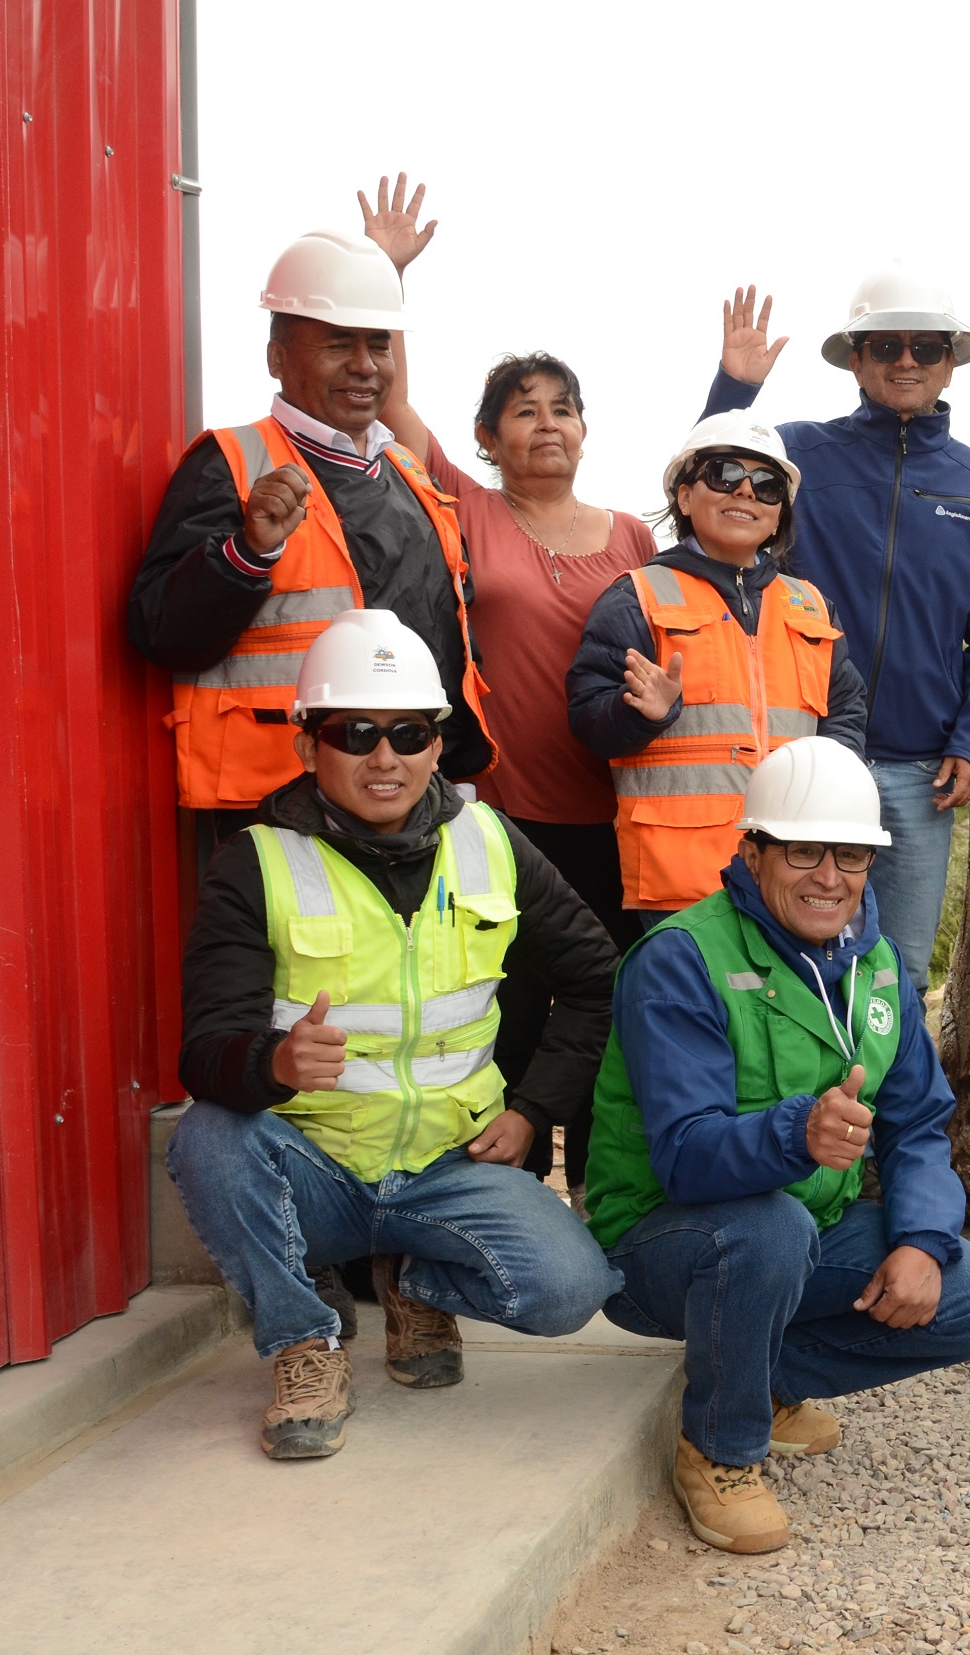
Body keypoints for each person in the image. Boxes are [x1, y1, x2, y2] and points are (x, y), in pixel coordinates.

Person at [163, 610, 622, 1460]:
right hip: (320, 1168)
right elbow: (204, 1052)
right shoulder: (254, 862)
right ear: (309, 745)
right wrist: (274, 1063)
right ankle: (305, 1340)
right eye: (355, 733)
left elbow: (599, 980)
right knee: (209, 1136)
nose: (386, 757)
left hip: (452, 1167)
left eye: (409, 733)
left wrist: (533, 1110)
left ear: (437, 744)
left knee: (568, 1290)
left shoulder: (491, 840)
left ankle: (414, 1280)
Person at [585, 736, 970, 1554]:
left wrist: (924, 1240)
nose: (830, 875)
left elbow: (918, 1121)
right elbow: (683, 1155)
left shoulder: (881, 966)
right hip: (661, 1241)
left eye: (850, 853)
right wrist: (800, 1132)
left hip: (799, 1226)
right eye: (803, 850)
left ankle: (763, 1375)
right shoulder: (681, 960)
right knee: (769, 1228)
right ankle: (720, 1446)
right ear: (752, 851)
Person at [353, 175, 661, 1194]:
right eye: (522, 412)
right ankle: (510, 1195)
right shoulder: (471, 510)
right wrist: (386, 275)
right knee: (519, 1005)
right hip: (514, 812)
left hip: (620, 810)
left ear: (586, 429)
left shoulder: (628, 534)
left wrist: (734, 391)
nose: (547, 425)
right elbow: (392, 403)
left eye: (563, 409)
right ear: (488, 437)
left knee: (612, 1003)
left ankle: (597, 1193)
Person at [703, 272, 970, 980]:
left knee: (899, 967)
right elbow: (711, 473)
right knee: (779, 956)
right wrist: (734, 388)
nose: (905, 360)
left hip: (922, 771)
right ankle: (803, 1095)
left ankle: (887, 1094)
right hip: (804, 749)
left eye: (924, 346)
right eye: (885, 344)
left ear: (951, 361)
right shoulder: (800, 456)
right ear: (856, 357)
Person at [129, 228, 495, 851]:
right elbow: (160, 630)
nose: (364, 365)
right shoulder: (232, 463)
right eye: (337, 344)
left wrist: (451, 768)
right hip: (282, 808)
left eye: (378, 345)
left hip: (416, 794)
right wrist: (248, 555)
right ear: (277, 358)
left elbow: (445, 634)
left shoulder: (408, 473)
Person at [568, 414, 868, 926]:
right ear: (685, 498)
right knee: (689, 1005)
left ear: (779, 516)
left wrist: (828, 786)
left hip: (793, 869)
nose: (747, 491)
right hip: (680, 880)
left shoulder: (811, 605)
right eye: (725, 474)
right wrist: (643, 714)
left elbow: (846, 711)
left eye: (768, 485)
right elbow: (588, 720)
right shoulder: (637, 596)